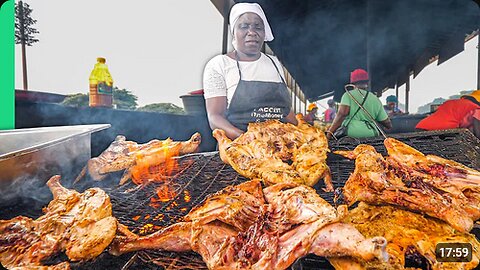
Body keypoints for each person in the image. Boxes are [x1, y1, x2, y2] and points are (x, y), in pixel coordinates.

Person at [203, 3, 297, 140]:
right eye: (244, 26)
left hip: (281, 144)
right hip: (240, 149)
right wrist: (247, 140)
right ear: (234, 32)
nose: (252, 32)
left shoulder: (274, 63)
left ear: (264, 32)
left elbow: (285, 111)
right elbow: (215, 117)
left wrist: (301, 132)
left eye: (258, 27)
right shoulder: (219, 65)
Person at [326, 69, 392, 139]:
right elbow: (386, 122)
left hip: (352, 134)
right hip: (371, 133)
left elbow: (342, 114)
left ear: (352, 83)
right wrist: (389, 126)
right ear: (367, 82)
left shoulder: (347, 95)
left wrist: (330, 132)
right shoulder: (375, 98)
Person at [415, 90, 480, 138]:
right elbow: (477, 131)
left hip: (421, 127)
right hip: (444, 132)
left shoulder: (450, 102)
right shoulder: (476, 108)